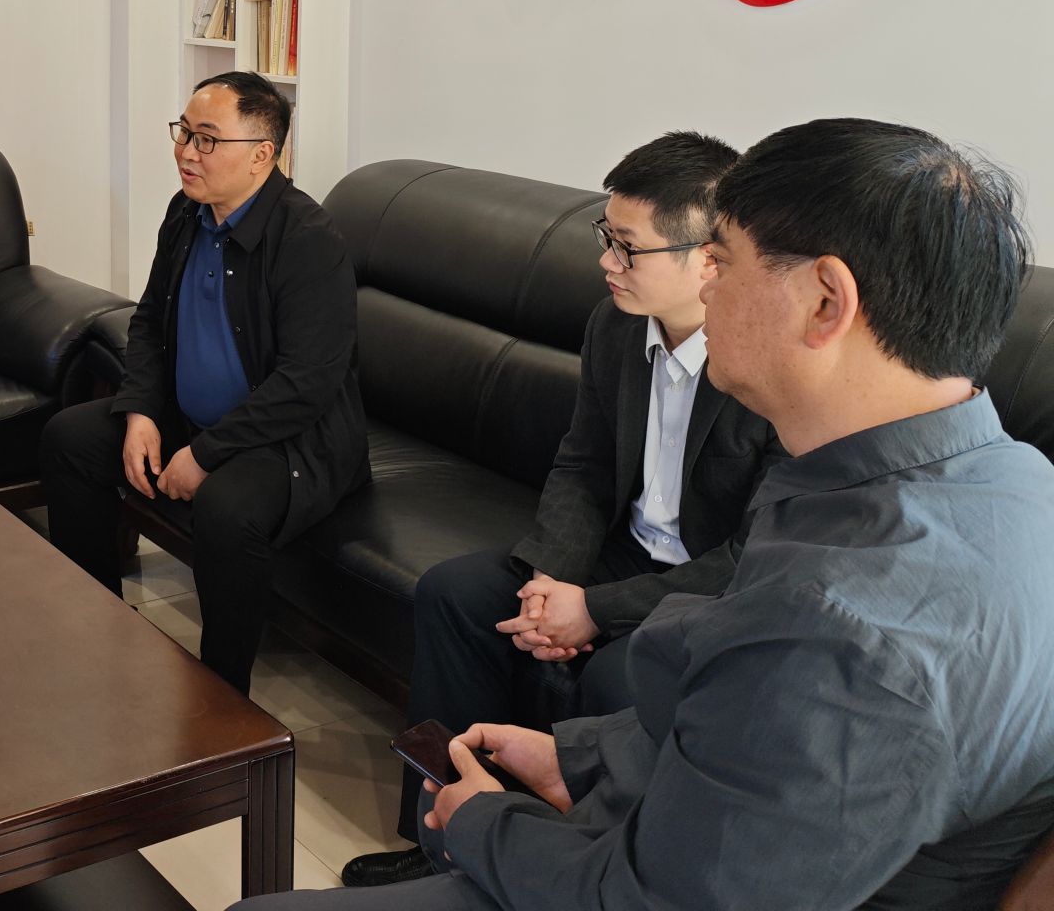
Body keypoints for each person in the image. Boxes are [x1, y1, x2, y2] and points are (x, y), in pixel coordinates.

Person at [240, 118, 1054, 910]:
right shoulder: (1013, 482)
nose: (709, 286)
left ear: (824, 301)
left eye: (722, 262)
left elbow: (656, 892)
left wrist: (483, 824)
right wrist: (581, 758)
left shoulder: (836, 629)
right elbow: (739, 729)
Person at [343, 132, 779, 888]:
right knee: (457, 594)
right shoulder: (616, 326)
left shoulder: (766, 365)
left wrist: (594, 612)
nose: (606, 262)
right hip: (619, 552)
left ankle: (558, 869)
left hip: (709, 590)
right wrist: (552, 580)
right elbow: (583, 464)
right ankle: (439, 843)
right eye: (606, 237)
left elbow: (751, 556)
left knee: (618, 672)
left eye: (627, 248)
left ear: (709, 258)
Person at [40, 72, 367, 693]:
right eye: (184, 133)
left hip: (289, 443)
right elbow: (148, 320)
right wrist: (140, 412)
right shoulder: (187, 213)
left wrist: (205, 454)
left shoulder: (308, 240)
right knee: (70, 439)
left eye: (207, 139)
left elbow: (307, 383)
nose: (186, 152)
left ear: (262, 155)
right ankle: (97, 626)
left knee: (225, 505)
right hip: (192, 418)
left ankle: (221, 697)